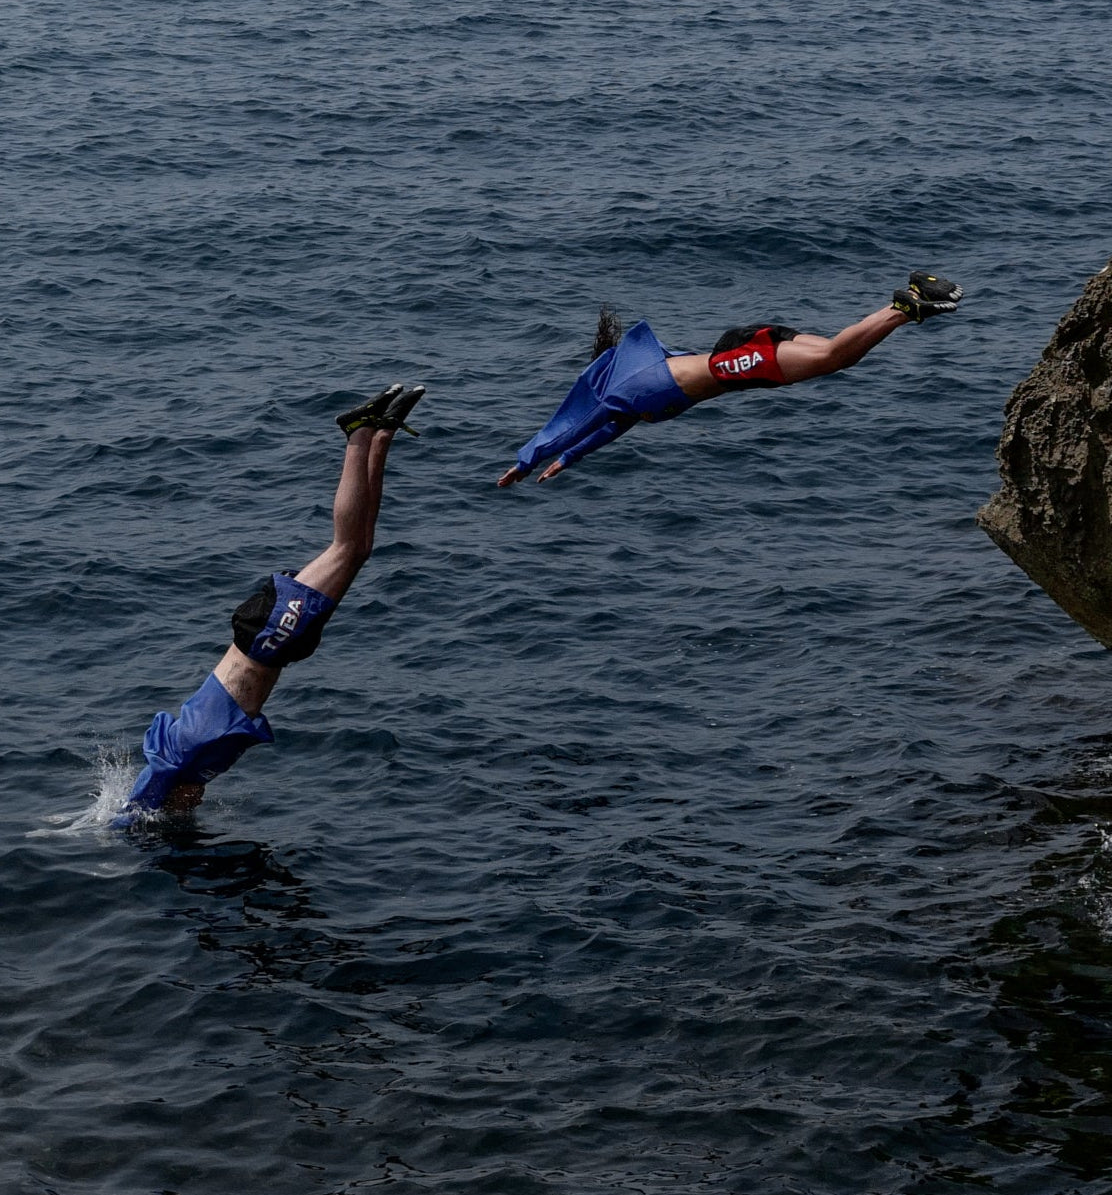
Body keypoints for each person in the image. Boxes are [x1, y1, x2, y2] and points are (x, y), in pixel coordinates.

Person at [118, 382, 425, 820]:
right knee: (359, 550)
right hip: (274, 640)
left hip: (268, 636)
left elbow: (133, 810)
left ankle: (358, 431)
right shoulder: (191, 767)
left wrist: (120, 825)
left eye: (180, 806)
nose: (193, 806)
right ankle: (381, 433)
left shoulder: (178, 760)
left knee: (345, 548)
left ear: (164, 795)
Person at [496, 273, 963, 486]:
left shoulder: (620, 394)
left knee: (833, 358)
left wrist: (528, 461)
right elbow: (608, 429)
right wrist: (569, 460)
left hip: (734, 363)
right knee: (834, 355)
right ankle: (914, 299)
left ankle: (906, 306)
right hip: (738, 348)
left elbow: (576, 423)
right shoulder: (629, 398)